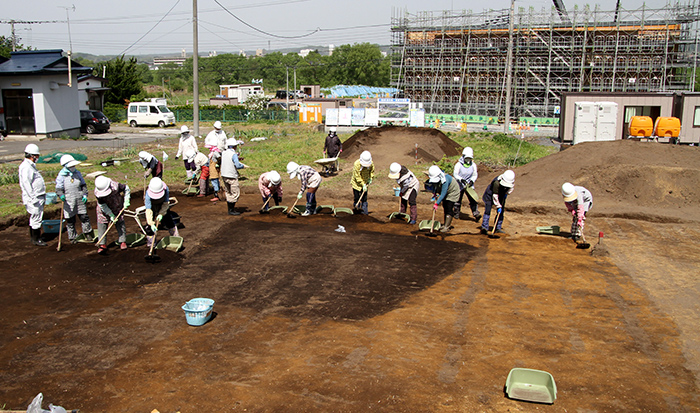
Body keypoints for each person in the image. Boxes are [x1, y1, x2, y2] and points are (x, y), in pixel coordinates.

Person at [55, 155, 93, 243]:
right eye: (71, 166)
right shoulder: (61, 176)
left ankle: (87, 233)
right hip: (68, 200)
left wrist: (84, 195)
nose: (73, 168)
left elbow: (83, 185)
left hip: (79, 198)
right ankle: (72, 237)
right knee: (70, 220)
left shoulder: (77, 173)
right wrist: (61, 195)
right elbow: (58, 189)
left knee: (84, 217)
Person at [19, 143, 47, 246]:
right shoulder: (26, 167)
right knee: (37, 217)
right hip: (34, 197)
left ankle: (34, 237)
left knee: (35, 217)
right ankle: (36, 239)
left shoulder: (30, 166)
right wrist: (33, 197)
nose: (38, 158)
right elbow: (26, 184)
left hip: (37, 195)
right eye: (37, 156)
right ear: (32, 156)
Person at [94, 175, 130, 253]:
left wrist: (127, 200)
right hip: (104, 209)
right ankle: (102, 244)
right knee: (102, 224)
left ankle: (122, 241)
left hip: (116, 206)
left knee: (120, 223)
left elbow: (126, 188)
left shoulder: (115, 185)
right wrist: (111, 215)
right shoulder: (98, 193)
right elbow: (102, 205)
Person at [144, 177, 179, 247]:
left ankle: (177, 239)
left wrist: (161, 214)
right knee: (149, 227)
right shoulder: (148, 194)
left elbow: (166, 203)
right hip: (152, 206)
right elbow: (148, 210)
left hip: (162, 204)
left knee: (169, 221)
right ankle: (151, 243)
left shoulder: (166, 189)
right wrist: (151, 223)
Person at [427, 165, 461, 233]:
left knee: (449, 207)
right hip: (446, 192)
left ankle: (447, 226)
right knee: (445, 206)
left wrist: (437, 203)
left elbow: (443, 193)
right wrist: (434, 193)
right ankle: (445, 223)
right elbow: (435, 186)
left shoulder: (446, 179)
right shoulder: (436, 178)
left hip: (452, 192)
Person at [480, 170, 515, 235]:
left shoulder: (511, 182)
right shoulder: (496, 183)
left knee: (501, 212)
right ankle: (484, 228)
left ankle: (497, 228)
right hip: (490, 195)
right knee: (487, 211)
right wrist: (498, 206)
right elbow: (495, 196)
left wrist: (506, 193)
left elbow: (511, 188)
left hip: (501, 195)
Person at [453, 147, 481, 221]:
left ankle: (475, 212)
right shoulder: (458, 165)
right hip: (460, 184)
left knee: (473, 199)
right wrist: (461, 179)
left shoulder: (473, 165)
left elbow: (475, 174)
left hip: (469, 184)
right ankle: (456, 212)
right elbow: (455, 174)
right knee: (458, 199)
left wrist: (472, 180)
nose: (468, 160)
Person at [220, 138, 246, 215]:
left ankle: (230, 209)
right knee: (235, 193)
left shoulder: (224, 153)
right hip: (231, 175)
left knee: (228, 191)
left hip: (224, 175)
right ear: (234, 147)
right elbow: (237, 165)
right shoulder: (233, 154)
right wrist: (242, 166)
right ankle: (231, 210)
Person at [204, 121, 225, 201]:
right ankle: (216, 192)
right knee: (213, 175)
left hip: (222, 155)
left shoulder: (223, 134)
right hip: (213, 158)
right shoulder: (211, 134)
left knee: (222, 174)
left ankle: (223, 189)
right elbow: (206, 142)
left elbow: (225, 143)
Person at [350, 150, 374, 214]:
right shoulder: (357, 164)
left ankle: (364, 212)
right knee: (357, 198)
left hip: (365, 183)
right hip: (356, 184)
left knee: (364, 198)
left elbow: (372, 171)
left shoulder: (371, 163)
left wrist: (370, 178)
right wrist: (362, 184)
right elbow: (357, 176)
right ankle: (356, 210)